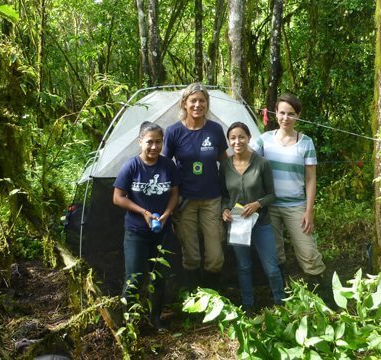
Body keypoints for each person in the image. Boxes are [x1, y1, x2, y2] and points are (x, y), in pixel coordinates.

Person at [113, 121, 181, 331]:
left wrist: (168, 213)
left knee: (158, 277)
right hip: (136, 232)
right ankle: (129, 322)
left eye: (158, 142)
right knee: (134, 278)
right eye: (149, 142)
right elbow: (117, 197)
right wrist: (142, 212)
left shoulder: (168, 165)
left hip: (161, 232)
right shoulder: (131, 166)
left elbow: (174, 193)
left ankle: (155, 318)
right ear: (140, 141)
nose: (154, 147)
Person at [252, 93, 326, 284]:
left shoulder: (306, 142)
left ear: (298, 115)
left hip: (296, 206)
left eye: (291, 114)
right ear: (275, 113)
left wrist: (309, 211)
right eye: (282, 113)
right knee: (275, 253)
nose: (286, 118)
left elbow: (310, 178)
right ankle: (282, 293)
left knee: (308, 253)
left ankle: (320, 293)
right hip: (269, 206)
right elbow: (244, 159)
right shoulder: (264, 140)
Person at [163, 83, 228, 290]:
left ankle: (212, 297)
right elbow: (164, 166)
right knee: (191, 255)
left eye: (202, 101)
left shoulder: (215, 129)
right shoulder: (173, 132)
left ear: (207, 104)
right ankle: (194, 298)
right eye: (193, 101)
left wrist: (231, 197)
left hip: (212, 199)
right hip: (185, 201)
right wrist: (168, 203)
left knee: (215, 256)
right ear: (184, 103)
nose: (198, 105)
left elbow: (225, 164)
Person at [221, 122, 285, 313]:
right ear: (229, 141)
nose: (237, 141)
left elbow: (272, 195)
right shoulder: (225, 166)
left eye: (241, 136)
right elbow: (223, 195)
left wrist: (258, 203)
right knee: (244, 266)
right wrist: (224, 209)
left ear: (249, 138)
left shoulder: (262, 163)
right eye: (233, 138)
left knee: (271, 268)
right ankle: (248, 306)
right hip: (238, 223)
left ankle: (281, 304)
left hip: (261, 222)